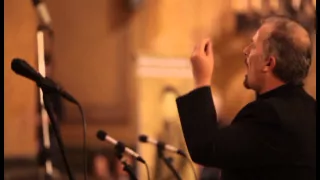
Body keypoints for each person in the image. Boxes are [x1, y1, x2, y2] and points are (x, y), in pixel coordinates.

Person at [175, 16, 316, 180]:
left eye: (253, 46)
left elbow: (207, 148)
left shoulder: (270, 115)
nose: (246, 51)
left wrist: (202, 80)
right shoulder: (311, 109)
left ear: (268, 64)